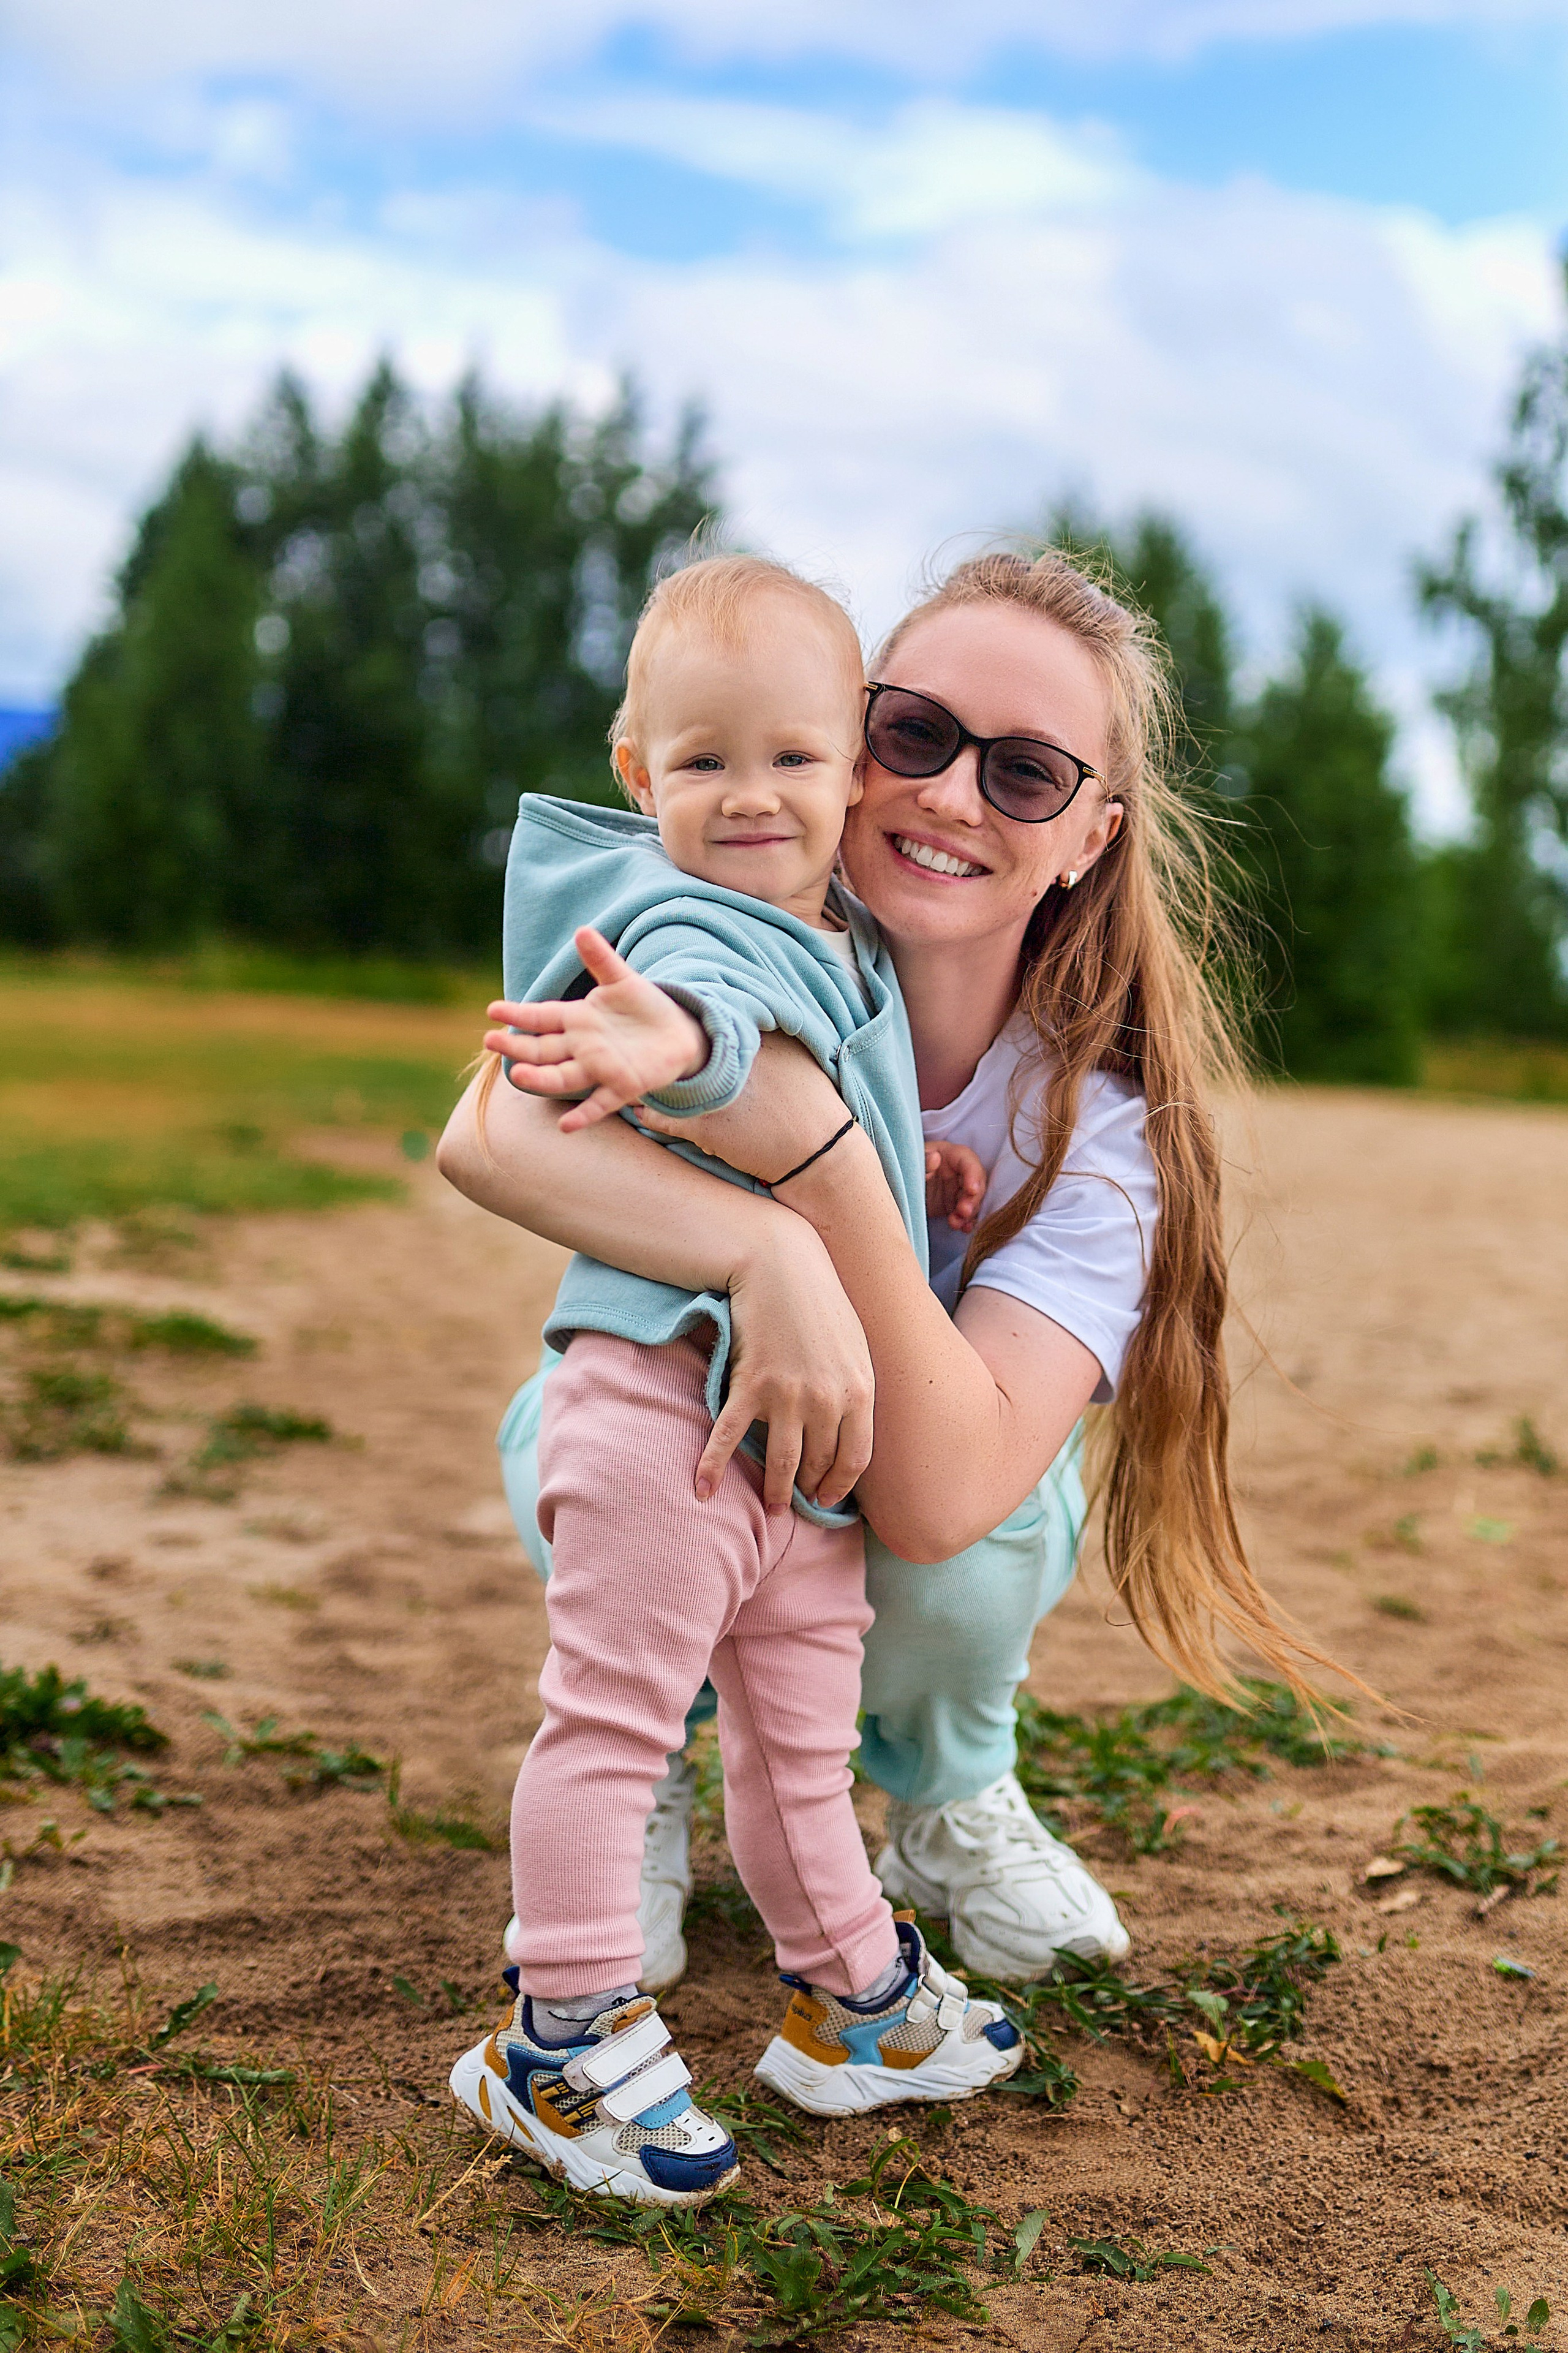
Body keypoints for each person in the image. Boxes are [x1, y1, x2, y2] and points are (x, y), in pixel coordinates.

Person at [440, 546, 1339, 2049]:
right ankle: (657, 1739)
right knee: (622, 1431)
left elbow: (939, 1500)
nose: (949, 795)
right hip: (678, 1440)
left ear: (1086, 837)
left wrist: (822, 1175)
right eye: (916, 737)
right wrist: (761, 1253)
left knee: (971, 1545)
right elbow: (485, 1129)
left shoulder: (1097, 1131)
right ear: (858, 748)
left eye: (1028, 772)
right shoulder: (716, 935)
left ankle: (942, 1781)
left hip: (904, 1498)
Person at [447, 556, 1023, 2215]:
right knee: (614, 1725)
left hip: (799, 1455)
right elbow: (711, 1013)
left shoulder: (843, 950)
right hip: (659, 1422)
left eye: (788, 757)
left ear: (853, 764)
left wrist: (918, 1191)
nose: (749, 796)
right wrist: (652, 1047)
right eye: (702, 763)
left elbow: (817, 1110)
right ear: (641, 775)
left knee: (797, 1744)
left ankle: (849, 1995)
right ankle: (556, 2030)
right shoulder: (699, 921)